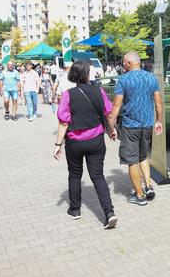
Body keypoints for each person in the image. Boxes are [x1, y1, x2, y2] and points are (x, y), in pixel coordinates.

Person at [54, 61, 118, 229]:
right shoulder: (99, 90)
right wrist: (111, 130)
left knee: (75, 174)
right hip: (96, 139)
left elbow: (63, 122)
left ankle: (75, 210)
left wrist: (58, 144)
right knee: (97, 176)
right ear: (87, 74)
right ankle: (109, 212)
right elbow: (108, 114)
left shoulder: (68, 95)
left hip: (75, 141)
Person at [108, 52, 163, 206]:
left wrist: (111, 126)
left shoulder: (123, 80)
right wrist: (158, 120)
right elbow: (158, 102)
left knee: (132, 160)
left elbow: (117, 105)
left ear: (128, 63)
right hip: (147, 124)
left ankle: (139, 196)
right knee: (143, 156)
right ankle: (149, 186)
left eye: (123, 62)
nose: (122, 65)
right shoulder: (151, 78)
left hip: (130, 125)